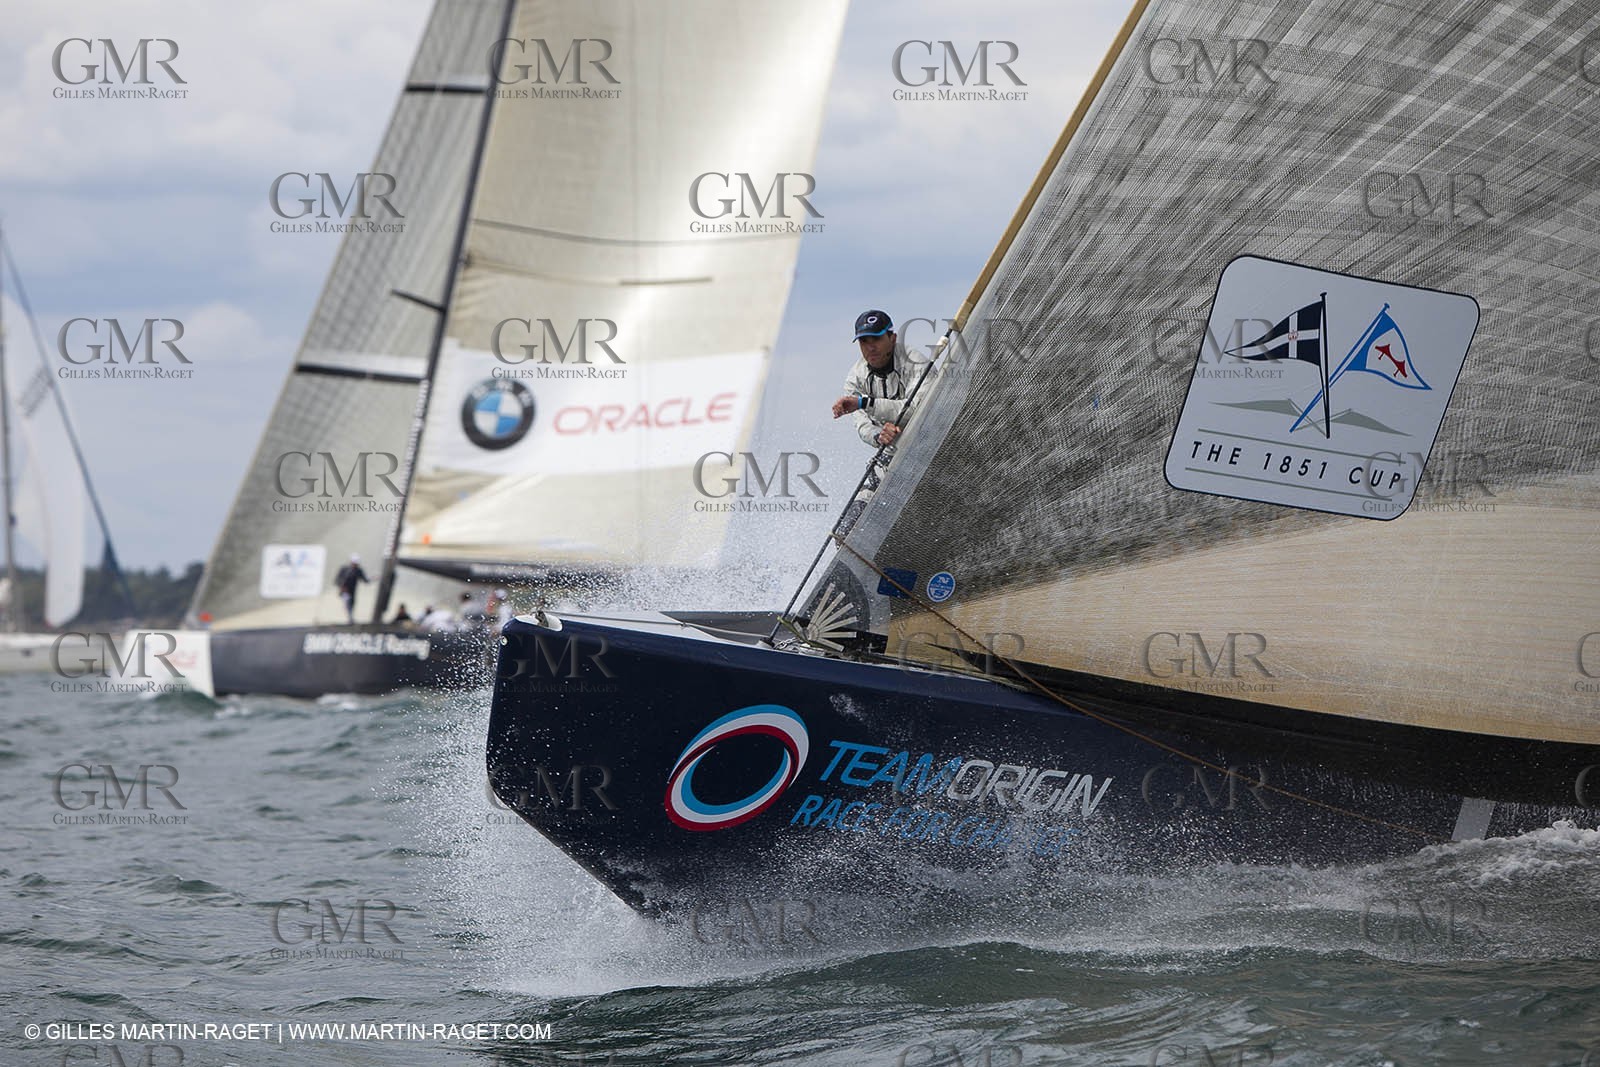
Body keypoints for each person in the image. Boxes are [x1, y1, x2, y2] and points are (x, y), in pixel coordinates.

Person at [831, 309, 914, 448]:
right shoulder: (855, 379)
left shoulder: (914, 362)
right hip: (896, 452)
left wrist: (864, 403)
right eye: (863, 341)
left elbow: (918, 411)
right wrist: (879, 435)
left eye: (876, 339)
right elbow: (863, 426)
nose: (870, 347)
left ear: (892, 339)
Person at [333, 553, 369, 625]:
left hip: (352, 592)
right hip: (345, 591)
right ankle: (350, 619)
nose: (355, 565)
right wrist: (342, 587)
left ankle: (351, 619)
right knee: (347, 602)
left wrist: (373, 578)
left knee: (352, 604)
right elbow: (337, 580)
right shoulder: (344, 569)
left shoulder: (358, 571)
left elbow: (365, 580)